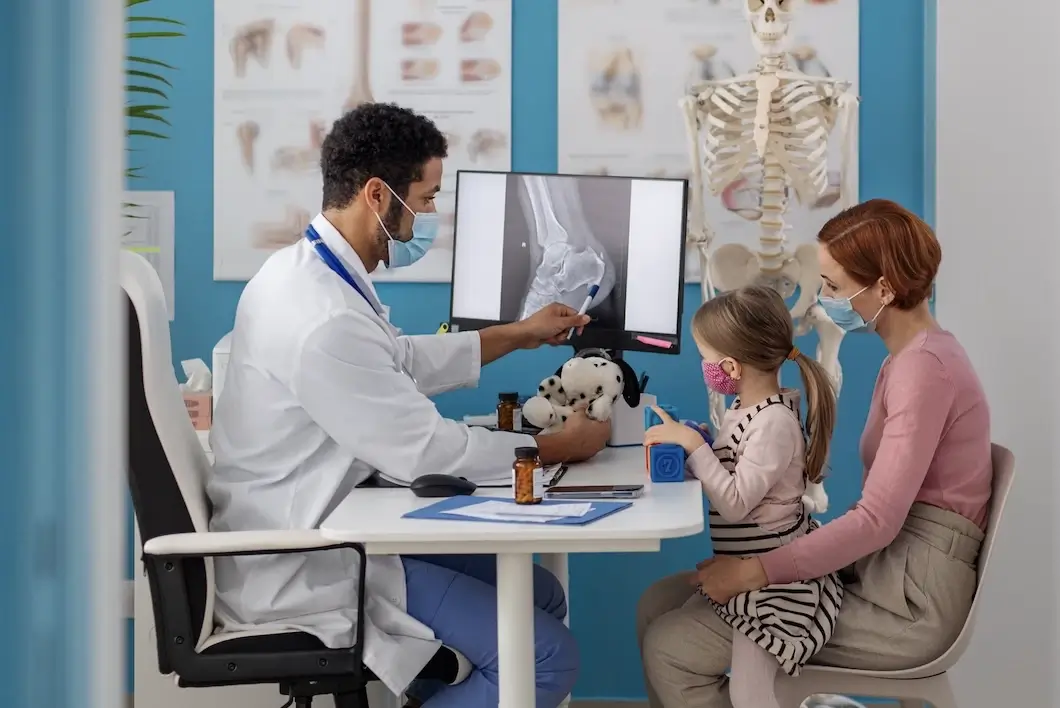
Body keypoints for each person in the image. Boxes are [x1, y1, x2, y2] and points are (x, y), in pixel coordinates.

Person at [207, 103, 611, 708]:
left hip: (329, 520)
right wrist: (559, 448)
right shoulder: (320, 316)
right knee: (546, 658)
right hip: (305, 558)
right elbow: (425, 451)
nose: (429, 215)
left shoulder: (309, 273)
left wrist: (519, 332)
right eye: (425, 199)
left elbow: (396, 361)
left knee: (541, 594)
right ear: (377, 193)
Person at [638, 198, 993, 707]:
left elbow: (876, 521)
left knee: (669, 646)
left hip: (908, 599)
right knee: (658, 603)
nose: (821, 299)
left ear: (884, 289)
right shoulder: (913, 359)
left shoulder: (925, 370)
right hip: (887, 569)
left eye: (832, 285)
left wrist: (756, 570)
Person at [642, 285, 839, 708]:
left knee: (751, 695)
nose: (705, 367)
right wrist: (697, 441)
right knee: (658, 611)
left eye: (706, 358)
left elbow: (734, 504)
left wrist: (697, 451)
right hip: (749, 570)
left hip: (775, 590)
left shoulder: (774, 423)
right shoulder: (743, 411)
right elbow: (734, 468)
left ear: (730, 366)